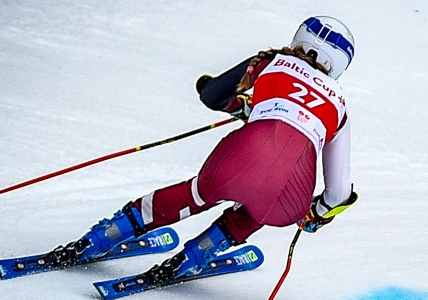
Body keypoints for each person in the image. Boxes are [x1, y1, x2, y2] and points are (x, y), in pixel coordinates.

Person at [46, 16, 359, 281]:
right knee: (261, 204)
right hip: (289, 203)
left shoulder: (274, 62)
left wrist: (241, 106)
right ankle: (196, 256)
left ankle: (104, 237)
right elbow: (338, 194)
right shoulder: (340, 107)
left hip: (239, 160)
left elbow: (212, 95)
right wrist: (316, 214)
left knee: (196, 194)